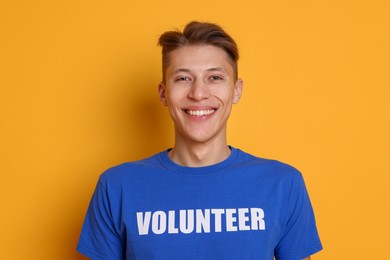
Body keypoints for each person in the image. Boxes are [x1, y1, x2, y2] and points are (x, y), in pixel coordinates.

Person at [77, 21, 322, 260]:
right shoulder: (117, 187)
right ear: (163, 93)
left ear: (236, 90)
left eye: (215, 77)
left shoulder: (282, 184)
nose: (198, 93)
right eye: (183, 78)